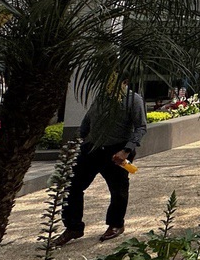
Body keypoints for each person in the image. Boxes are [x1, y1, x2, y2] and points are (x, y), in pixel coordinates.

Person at [56, 80, 147, 246]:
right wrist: (74, 143)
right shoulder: (101, 97)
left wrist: (126, 150)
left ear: (124, 81)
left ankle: (116, 224)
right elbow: (87, 122)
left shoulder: (134, 99)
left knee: (118, 189)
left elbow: (141, 127)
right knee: (72, 185)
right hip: (92, 148)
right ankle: (73, 226)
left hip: (117, 151)